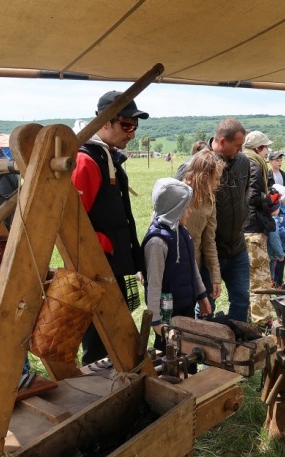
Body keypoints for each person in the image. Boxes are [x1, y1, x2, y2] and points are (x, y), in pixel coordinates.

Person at [72, 91, 148, 364]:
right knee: (98, 336)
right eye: (127, 126)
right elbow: (73, 223)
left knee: (116, 328)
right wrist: (107, 245)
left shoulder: (106, 156)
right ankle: (95, 393)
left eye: (135, 127)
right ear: (105, 122)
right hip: (97, 267)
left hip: (113, 264)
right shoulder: (86, 160)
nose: (132, 134)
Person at [177, 118, 250, 322]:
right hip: (208, 251)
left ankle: (237, 343)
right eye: (237, 145)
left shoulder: (244, 163)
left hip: (237, 247)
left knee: (242, 299)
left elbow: (245, 195)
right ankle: (207, 346)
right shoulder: (193, 167)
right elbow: (178, 209)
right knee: (207, 304)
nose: (240, 149)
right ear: (222, 141)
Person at [142, 178, 211, 350]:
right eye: (186, 208)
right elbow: (154, 284)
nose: (189, 212)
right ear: (174, 210)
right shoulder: (158, 242)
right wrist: (156, 322)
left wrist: (202, 296)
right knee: (169, 362)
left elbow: (193, 267)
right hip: (167, 316)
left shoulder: (182, 232)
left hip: (186, 308)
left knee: (189, 354)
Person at [181, 149, 224, 315]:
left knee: (189, 317)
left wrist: (215, 277)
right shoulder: (178, 193)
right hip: (170, 268)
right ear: (205, 176)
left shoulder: (210, 202)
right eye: (217, 179)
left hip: (193, 268)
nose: (219, 184)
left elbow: (209, 242)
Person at [242, 130, 277, 329]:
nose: (267, 152)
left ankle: (247, 317)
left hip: (241, 228)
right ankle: (262, 322)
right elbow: (252, 198)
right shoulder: (254, 165)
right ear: (258, 148)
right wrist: (269, 199)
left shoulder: (240, 161)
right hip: (253, 228)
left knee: (246, 278)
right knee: (261, 279)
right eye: (265, 148)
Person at [269, 184, 285, 287]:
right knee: (275, 265)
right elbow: (277, 230)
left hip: (283, 245)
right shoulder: (276, 213)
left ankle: (279, 282)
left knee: (281, 265)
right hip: (277, 246)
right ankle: (273, 282)